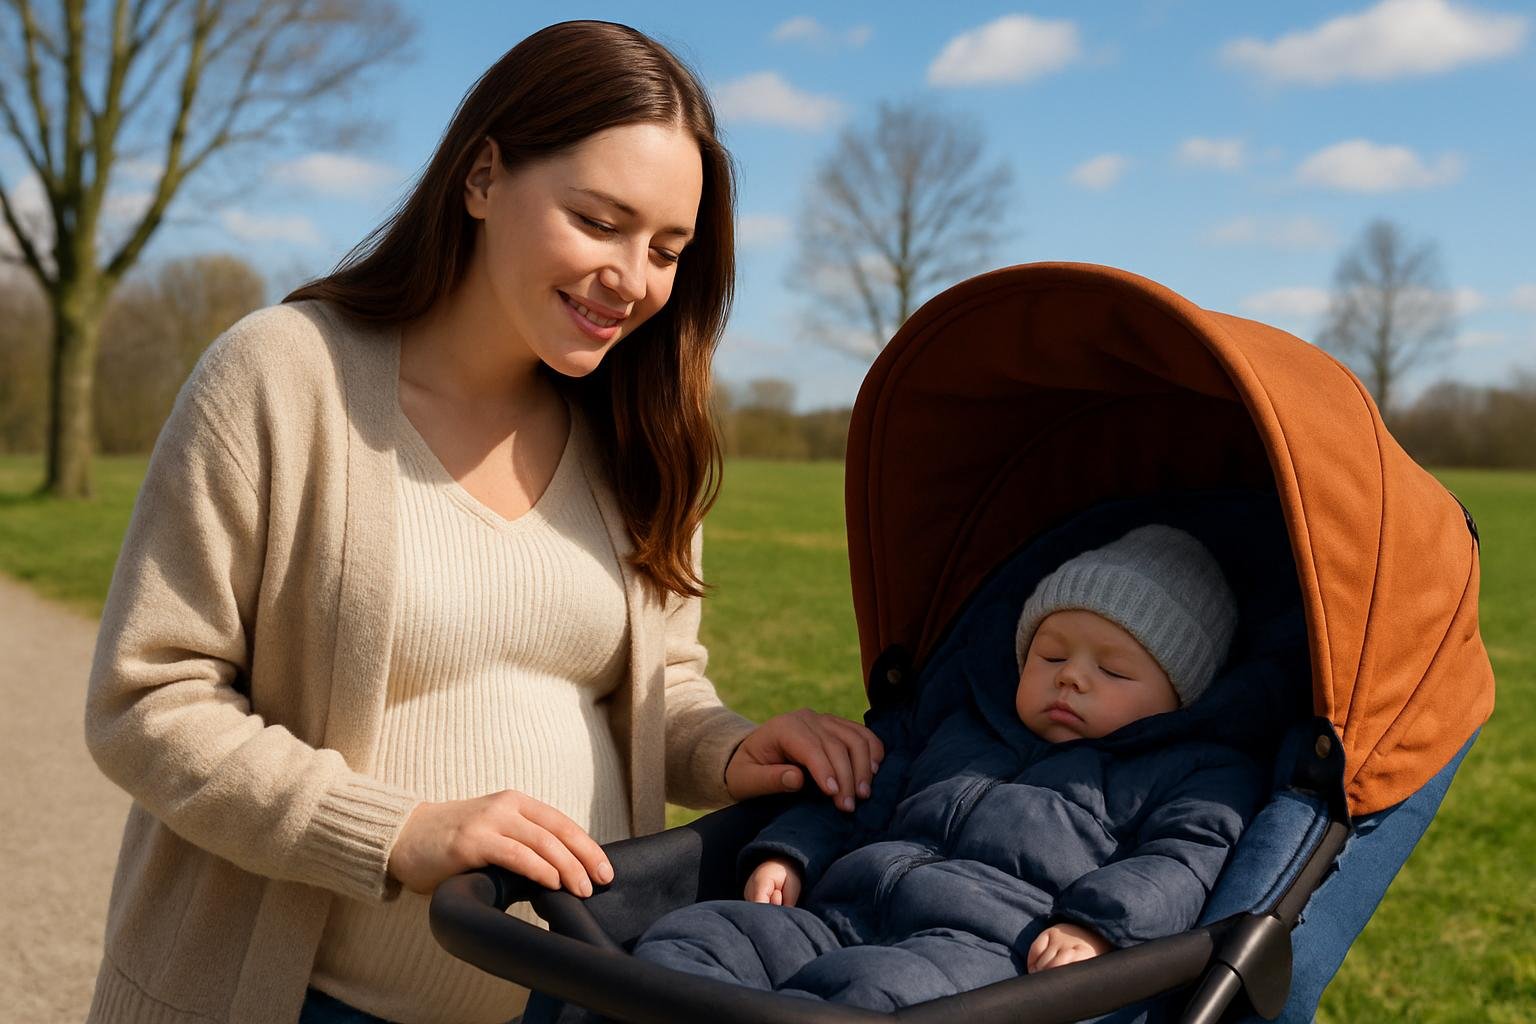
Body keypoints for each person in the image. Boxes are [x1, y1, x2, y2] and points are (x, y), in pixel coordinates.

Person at [83, 21, 883, 1024]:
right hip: (301, 1003)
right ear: (482, 177)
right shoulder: (283, 375)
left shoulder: (638, 433)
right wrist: (396, 831)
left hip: (574, 996)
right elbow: (148, 701)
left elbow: (657, 686)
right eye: (598, 221)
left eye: (666, 250)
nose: (633, 278)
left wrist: (731, 750)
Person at [633, 525, 1265, 1011]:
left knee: (872, 996)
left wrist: (1096, 927)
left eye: (1113, 669)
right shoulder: (960, 725)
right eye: (1050, 655)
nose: (1071, 676)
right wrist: (791, 853)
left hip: (983, 956)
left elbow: (1180, 862)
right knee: (696, 935)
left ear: (1180, 695)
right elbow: (861, 791)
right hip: (836, 915)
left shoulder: (1195, 775)